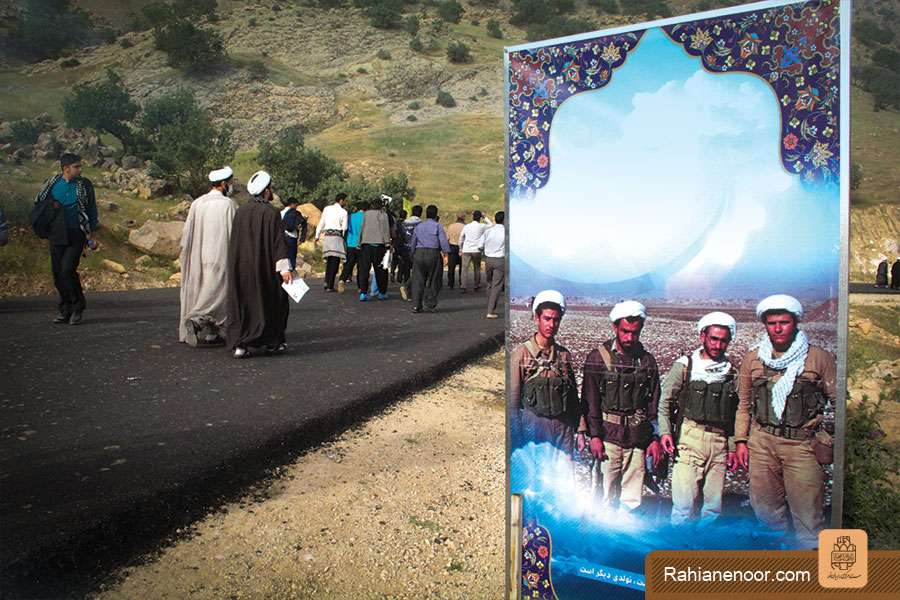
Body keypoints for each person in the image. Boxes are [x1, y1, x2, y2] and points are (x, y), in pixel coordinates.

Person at [733, 294, 835, 548]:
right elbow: (743, 405)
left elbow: (839, 401)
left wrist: (831, 440)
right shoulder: (753, 359)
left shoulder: (818, 359)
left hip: (802, 446)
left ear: (795, 322)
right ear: (765, 325)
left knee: (808, 517)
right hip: (762, 443)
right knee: (766, 513)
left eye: (784, 322)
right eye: (772, 323)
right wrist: (741, 441)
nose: (778, 328)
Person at [659, 312, 739, 526]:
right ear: (703, 336)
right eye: (714, 338)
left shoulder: (731, 372)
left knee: (713, 509)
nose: (718, 345)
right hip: (690, 438)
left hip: (719, 443)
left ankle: (705, 544)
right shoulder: (686, 366)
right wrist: (665, 432)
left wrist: (732, 447)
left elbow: (735, 413)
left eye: (723, 340)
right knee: (683, 506)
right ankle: (677, 544)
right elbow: (665, 401)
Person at [582, 300, 663, 511]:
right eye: (625, 331)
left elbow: (654, 403)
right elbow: (590, 402)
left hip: (637, 439)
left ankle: (626, 528)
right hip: (608, 438)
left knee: (632, 499)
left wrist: (654, 438)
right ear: (615, 327)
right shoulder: (598, 358)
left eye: (635, 333)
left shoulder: (647, 362)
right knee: (602, 496)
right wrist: (595, 436)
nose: (629, 338)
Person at [508, 291, 586, 463]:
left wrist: (580, 431)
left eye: (556, 320)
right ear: (537, 318)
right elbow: (512, 403)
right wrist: (517, 441)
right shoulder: (521, 355)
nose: (552, 324)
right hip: (533, 432)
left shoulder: (563, 355)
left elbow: (573, 398)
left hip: (563, 433)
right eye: (547, 318)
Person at [225, 171, 293, 359]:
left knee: (245, 303)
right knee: (274, 301)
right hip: (265, 269)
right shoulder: (271, 213)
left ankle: (241, 344)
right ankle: (271, 342)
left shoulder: (241, 212)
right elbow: (278, 243)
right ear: (267, 191)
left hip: (242, 268)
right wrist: (285, 269)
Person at [33, 153, 99, 325]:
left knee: (67, 270)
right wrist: (52, 206)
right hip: (56, 233)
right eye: (77, 167)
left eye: (80, 166)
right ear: (66, 169)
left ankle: (78, 307)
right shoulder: (52, 183)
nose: (80, 169)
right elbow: (39, 204)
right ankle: (65, 308)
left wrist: (92, 233)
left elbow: (91, 208)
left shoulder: (84, 185)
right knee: (57, 274)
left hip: (77, 232)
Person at [178, 166, 238, 347]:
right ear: (223, 184)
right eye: (230, 183)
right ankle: (197, 321)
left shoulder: (198, 203)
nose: (232, 186)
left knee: (204, 290)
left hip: (199, 257)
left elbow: (187, 234)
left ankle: (213, 332)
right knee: (218, 294)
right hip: (220, 256)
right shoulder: (228, 204)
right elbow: (236, 233)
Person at [409, 204, 450, 313]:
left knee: (418, 280)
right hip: (433, 253)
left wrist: (412, 253)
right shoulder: (438, 226)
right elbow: (443, 242)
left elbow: (413, 241)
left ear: (426, 214)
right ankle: (429, 304)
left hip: (419, 253)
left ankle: (416, 305)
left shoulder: (419, 226)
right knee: (434, 279)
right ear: (436, 215)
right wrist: (446, 254)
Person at [356, 197, 391, 301]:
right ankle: (382, 292)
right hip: (379, 245)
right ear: (381, 205)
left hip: (366, 245)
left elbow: (361, 228)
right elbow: (385, 230)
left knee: (364, 270)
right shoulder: (383, 215)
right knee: (381, 270)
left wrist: (359, 242)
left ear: (372, 205)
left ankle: (363, 293)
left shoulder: (366, 214)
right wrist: (387, 243)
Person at [316, 192, 348, 292]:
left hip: (328, 238)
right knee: (335, 262)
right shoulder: (344, 212)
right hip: (337, 238)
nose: (345, 203)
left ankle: (326, 282)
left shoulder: (327, 209)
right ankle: (330, 285)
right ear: (341, 200)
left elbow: (321, 222)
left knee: (329, 261)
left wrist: (317, 235)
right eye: (345, 201)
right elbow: (344, 228)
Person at [458, 210, 491, 293]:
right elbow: (491, 225)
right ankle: (476, 285)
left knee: (464, 269)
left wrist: (460, 248)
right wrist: (485, 217)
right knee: (477, 268)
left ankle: (463, 286)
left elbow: (461, 237)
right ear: (480, 218)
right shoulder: (482, 226)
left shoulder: (466, 226)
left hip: (466, 249)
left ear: (472, 217)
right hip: (476, 250)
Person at [483, 211, 505, 319]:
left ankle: (489, 303)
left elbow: (480, 245)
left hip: (488, 259)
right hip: (500, 259)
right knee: (497, 285)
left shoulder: (488, 231)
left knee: (489, 283)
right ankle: (490, 310)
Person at [340, 201, 365, 292]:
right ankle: (360, 286)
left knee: (349, 263)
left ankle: (342, 279)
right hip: (361, 244)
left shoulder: (350, 216)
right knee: (361, 266)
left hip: (350, 243)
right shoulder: (365, 217)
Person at [280, 197, 305, 271]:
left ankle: (282, 274)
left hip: (282, 237)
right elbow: (299, 225)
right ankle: (291, 274)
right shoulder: (296, 213)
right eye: (296, 205)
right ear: (292, 204)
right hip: (292, 237)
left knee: (283, 258)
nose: (296, 207)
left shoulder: (280, 213)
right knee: (291, 258)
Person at [394, 209, 414, 301]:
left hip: (397, 245)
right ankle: (405, 281)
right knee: (407, 265)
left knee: (398, 262)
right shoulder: (405, 224)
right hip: (405, 246)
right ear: (406, 215)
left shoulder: (396, 222)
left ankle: (398, 277)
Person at [445, 214, 465, 289]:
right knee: (462, 267)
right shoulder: (465, 227)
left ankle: (451, 283)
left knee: (451, 267)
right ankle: (461, 282)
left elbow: (447, 238)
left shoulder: (451, 226)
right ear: (463, 219)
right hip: (462, 248)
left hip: (452, 247)